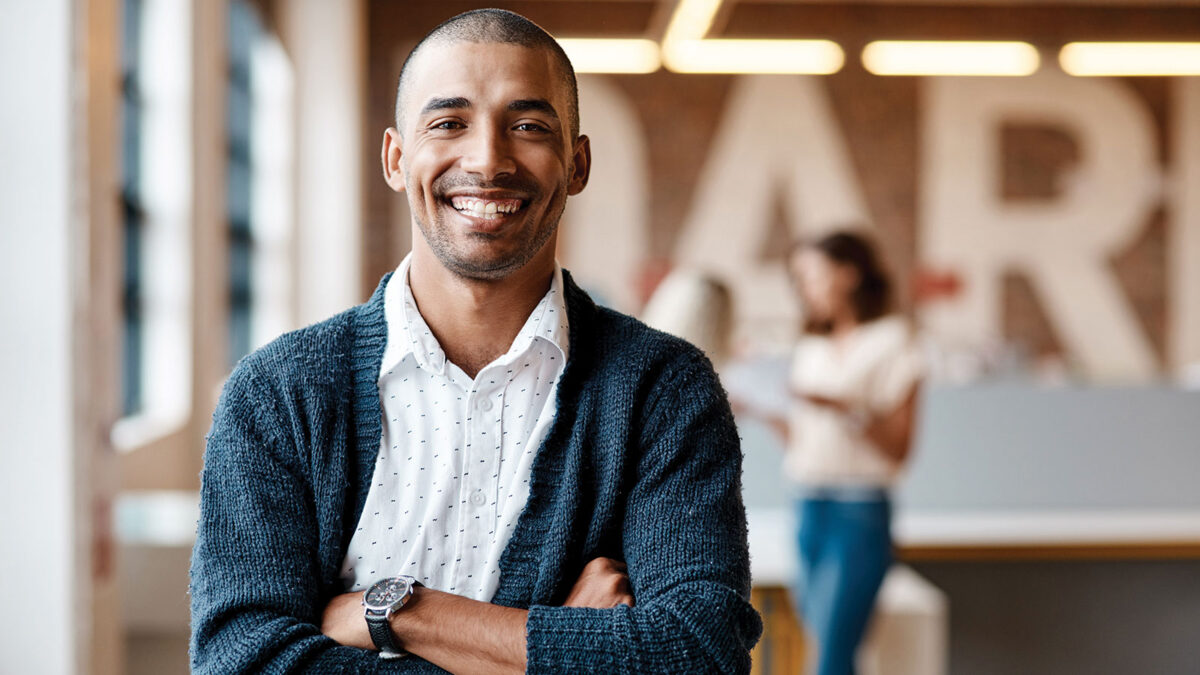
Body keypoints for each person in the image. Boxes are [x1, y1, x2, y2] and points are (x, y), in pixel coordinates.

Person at [188, 8, 761, 674]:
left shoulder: (661, 389)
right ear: (397, 160)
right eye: (448, 123)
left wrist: (397, 612)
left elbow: (697, 653)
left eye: (527, 126)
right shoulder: (278, 393)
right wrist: (560, 647)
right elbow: (240, 661)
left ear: (576, 164)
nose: (488, 158)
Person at [784, 231, 923, 675]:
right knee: (821, 646)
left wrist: (845, 407)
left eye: (812, 275)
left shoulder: (894, 341)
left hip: (858, 511)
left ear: (848, 274)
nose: (805, 288)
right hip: (807, 504)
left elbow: (898, 448)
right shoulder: (811, 346)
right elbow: (806, 440)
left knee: (832, 656)